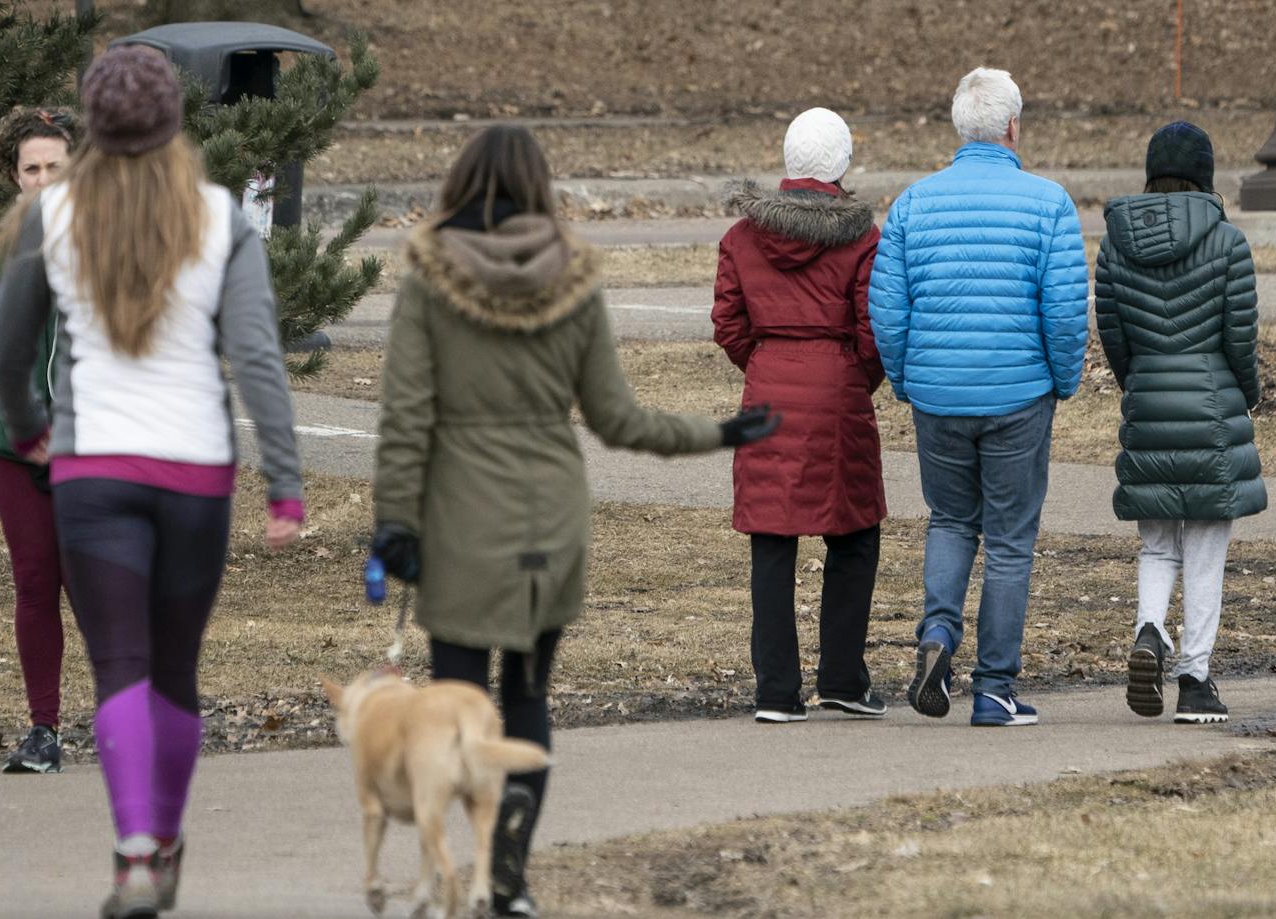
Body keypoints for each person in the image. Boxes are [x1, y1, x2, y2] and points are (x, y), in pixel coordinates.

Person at [369, 124, 778, 918]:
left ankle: (459, 870)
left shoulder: (427, 279)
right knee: (525, 699)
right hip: (548, 525)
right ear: (541, 185)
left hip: (459, 520)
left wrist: (394, 524)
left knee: (455, 706)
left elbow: (405, 417)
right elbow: (619, 418)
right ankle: (511, 869)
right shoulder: (575, 281)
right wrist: (719, 431)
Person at [0, 46, 303, 919]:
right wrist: (285, 485)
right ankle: (165, 837)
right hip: (194, 470)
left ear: (89, 127)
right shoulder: (218, 219)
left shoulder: (53, 214)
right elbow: (258, 361)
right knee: (176, 668)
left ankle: (133, 853)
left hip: (92, 470)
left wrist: (28, 431)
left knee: (119, 660)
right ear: (173, 125)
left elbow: (7, 351)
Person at [869, 67, 1088, 728]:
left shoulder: (913, 203)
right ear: (1013, 128)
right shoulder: (1048, 201)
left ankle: (937, 634)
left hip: (938, 393)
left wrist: (908, 377)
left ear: (960, 127)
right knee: (1011, 540)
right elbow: (1065, 312)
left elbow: (888, 311)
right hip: (1020, 392)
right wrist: (1062, 378)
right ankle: (994, 687)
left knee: (950, 519)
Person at [712, 107, 888, 724]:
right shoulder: (863, 237)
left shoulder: (741, 238)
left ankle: (776, 691)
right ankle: (842, 676)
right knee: (855, 532)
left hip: (768, 393)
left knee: (772, 537)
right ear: (841, 166)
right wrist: (854, 377)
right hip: (839, 392)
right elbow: (874, 330)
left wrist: (764, 366)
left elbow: (729, 325)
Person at [1095, 121, 1266, 724]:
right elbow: (1239, 338)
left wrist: (1138, 386)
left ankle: (1148, 630)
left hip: (1148, 401)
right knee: (1206, 550)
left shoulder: (1115, 244)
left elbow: (1113, 335)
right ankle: (1195, 678)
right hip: (1212, 407)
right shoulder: (1228, 243)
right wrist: (1246, 393)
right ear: (1206, 177)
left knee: (1157, 542)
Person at [0, 105, 82, 773]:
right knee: (36, 579)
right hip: (15, 448)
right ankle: (44, 729)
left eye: (56, 167)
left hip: (96, 447)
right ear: (14, 176)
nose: (43, 180)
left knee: (107, 586)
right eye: (32, 169)